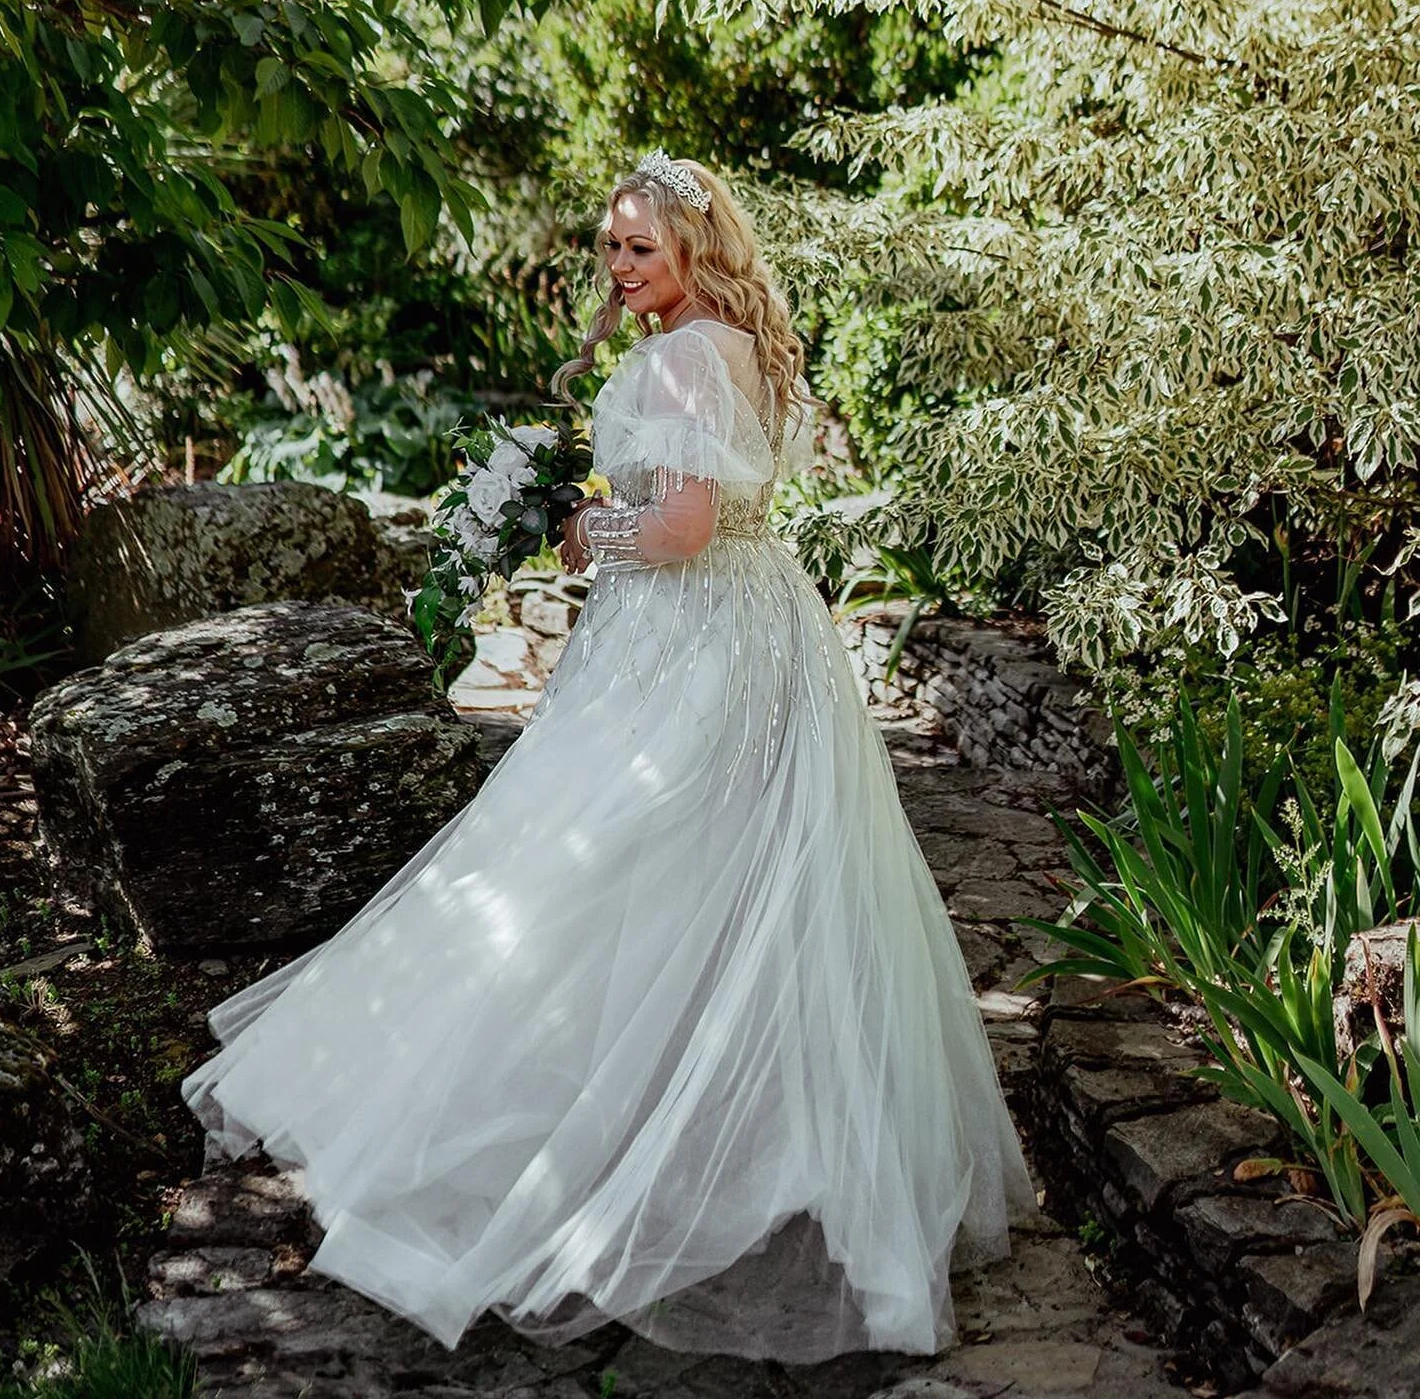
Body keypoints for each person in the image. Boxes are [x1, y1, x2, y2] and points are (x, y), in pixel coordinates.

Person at [180, 151, 1035, 1364]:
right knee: (729, 883)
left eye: (641, 247)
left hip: (692, 636)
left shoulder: (686, 354)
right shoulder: (731, 343)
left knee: (595, 864)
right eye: (613, 246)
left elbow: (681, 529)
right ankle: (730, 1137)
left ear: (696, 248)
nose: (620, 266)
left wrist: (588, 531)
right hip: (748, 628)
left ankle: (596, 1144)